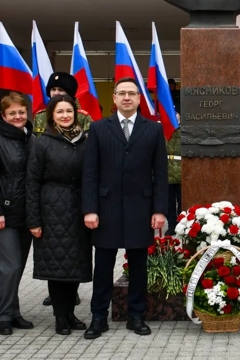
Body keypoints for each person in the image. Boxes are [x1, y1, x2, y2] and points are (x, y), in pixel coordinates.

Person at [82, 78, 167, 339]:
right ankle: (98, 317)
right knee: (104, 266)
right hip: (105, 208)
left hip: (141, 208)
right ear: (115, 99)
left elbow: (161, 174)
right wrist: (90, 209)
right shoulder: (98, 128)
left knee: (139, 265)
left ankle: (136, 315)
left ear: (140, 99)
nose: (127, 97)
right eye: (122, 93)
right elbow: (90, 172)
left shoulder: (153, 130)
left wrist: (159, 210)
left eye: (132, 93)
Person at [27, 95, 93, 335]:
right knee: (56, 267)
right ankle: (60, 316)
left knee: (74, 264)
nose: (65, 115)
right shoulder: (41, 142)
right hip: (51, 209)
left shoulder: (84, 141)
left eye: (69, 111)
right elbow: (32, 182)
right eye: (59, 112)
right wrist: (33, 220)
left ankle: (71, 313)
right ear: (51, 116)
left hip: (78, 209)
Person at [0, 93, 36, 335]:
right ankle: (3, 316)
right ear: (3, 116)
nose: (17, 116)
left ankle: (14, 312)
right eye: (12, 113)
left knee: (18, 266)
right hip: (4, 213)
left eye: (21, 112)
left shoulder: (31, 139)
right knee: (9, 266)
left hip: (26, 213)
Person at [32, 72, 92, 136]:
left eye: (60, 90)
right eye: (53, 89)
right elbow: (35, 139)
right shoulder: (40, 116)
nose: (56, 93)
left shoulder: (83, 117)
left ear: (70, 93)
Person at [165, 112, 182, 237]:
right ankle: (171, 225)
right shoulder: (162, 131)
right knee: (168, 202)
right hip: (166, 171)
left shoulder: (184, 132)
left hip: (182, 171)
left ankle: (181, 224)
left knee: (182, 200)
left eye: (176, 118)